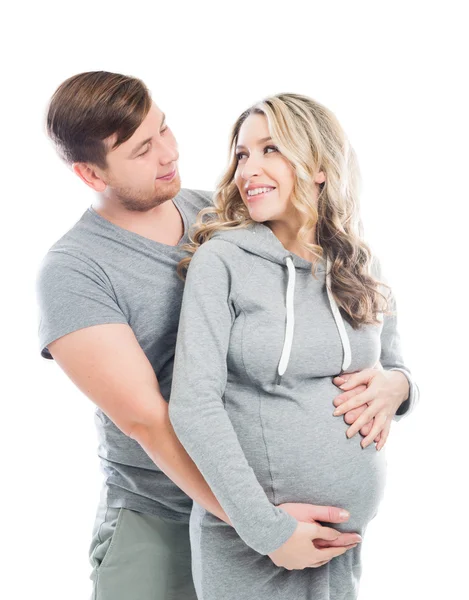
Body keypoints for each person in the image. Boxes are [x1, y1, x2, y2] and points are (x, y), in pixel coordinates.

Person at [36, 73, 383, 600]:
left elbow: (332, 298)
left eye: (165, 128)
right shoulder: (74, 270)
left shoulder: (222, 217)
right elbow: (147, 420)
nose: (169, 154)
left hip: (277, 518)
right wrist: (260, 525)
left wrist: (395, 382)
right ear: (90, 173)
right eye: (142, 149)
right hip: (161, 520)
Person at [169, 93, 418, 600]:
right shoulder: (222, 261)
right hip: (252, 542)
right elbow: (193, 405)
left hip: (342, 547)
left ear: (321, 167)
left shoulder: (357, 261)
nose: (248, 169)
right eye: (242, 154)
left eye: (270, 149)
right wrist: (268, 530)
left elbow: (394, 364)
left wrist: (402, 386)